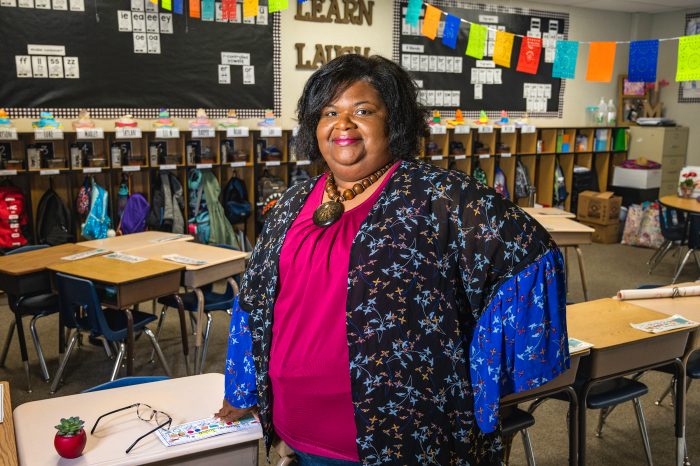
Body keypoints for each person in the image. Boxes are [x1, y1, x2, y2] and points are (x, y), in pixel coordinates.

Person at [217, 54, 568, 465]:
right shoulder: (295, 200)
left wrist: (491, 375)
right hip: (294, 430)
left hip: (402, 434)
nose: (343, 125)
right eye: (330, 112)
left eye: (362, 111)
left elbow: (529, 253)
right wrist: (242, 387)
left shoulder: (440, 197)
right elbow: (256, 299)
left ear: (394, 121)